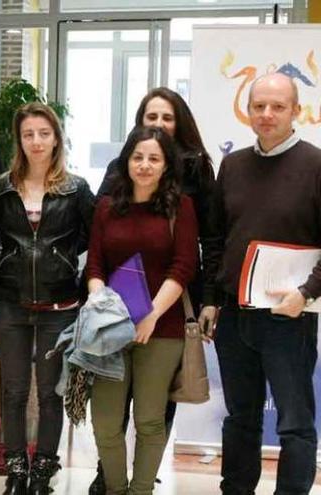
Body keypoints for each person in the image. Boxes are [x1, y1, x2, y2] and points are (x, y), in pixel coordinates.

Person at [92, 86, 216, 493]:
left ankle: (141, 489)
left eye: (154, 159)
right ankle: (114, 487)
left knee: (149, 419)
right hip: (110, 329)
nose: (145, 165)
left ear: (166, 166)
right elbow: (94, 263)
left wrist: (150, 315)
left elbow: (185, 265)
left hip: (160, 329)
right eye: (138, 157)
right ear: (126, 161)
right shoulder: (108, 205)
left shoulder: (182, 206)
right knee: (106, 421)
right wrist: (100, 304)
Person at [203, 72, 320, 495]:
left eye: (277, 106)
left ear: (296, 112)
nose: (267, 115)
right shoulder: (233, 166)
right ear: (248, 111)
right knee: (240, 418)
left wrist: (305, 293)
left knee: (294, 423)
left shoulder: (316, 165)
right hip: (235, 318)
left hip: (289, 318)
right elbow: (215, 238)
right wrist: (212, 299)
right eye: (259, 106)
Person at [0, 102, 95, 495]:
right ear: (19, 139)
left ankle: (42, 473)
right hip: (11, 304)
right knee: (12, 392)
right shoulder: (0, 189)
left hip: (59, 307)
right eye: (28, 134)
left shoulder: (76, 189)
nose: (36, 141)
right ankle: (16, 470)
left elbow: (94, 239)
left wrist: (71, 271)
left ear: (56, 138)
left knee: (50, 394)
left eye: (43, 133)